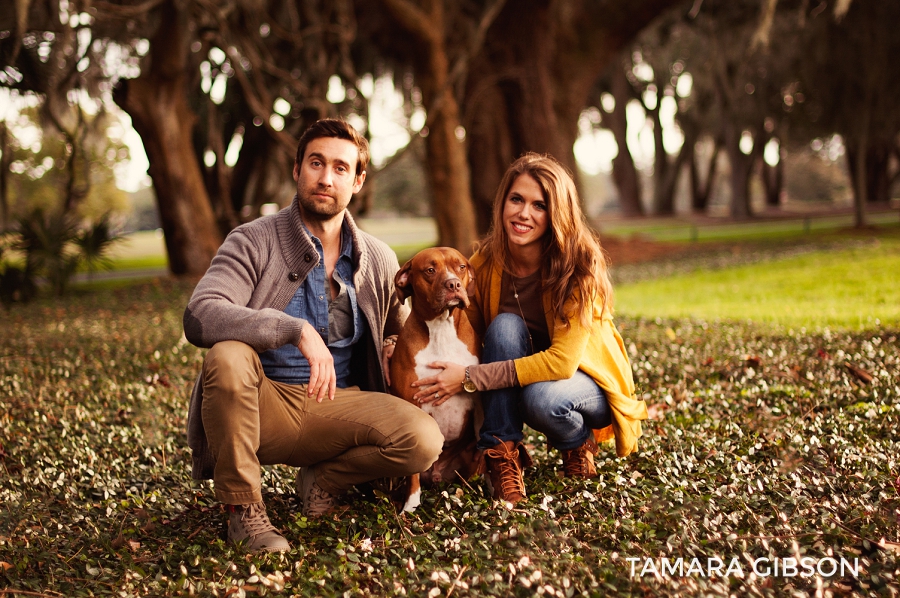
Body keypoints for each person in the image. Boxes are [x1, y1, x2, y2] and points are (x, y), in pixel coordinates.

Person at [183, 118, 443, 553]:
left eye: (341, 168)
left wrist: (396, 346)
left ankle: (322, 481)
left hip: (341, 405)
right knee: (226, 356)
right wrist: (293, 328)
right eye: (316, 163)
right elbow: (200, 315)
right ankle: (244, 512)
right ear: (297, 170)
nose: (326, 178)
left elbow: (401, 330)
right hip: (264, 403)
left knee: (423, 440)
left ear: (357, 181)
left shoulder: (376, 257)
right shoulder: (251, 240)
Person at [410, 152, 647, 505]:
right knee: (505, 327)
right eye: (516, 200)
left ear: (557, 214)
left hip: (585, 385)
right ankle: (502, 455)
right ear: (503, 203)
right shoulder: (484, 264)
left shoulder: (577, 270)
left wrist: (469, 376)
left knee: (541, 399)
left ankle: (577, 442)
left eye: (539, 205)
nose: (524, 213)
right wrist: (400, 340)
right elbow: (462, 324)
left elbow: (561, 365)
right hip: (522, 378)